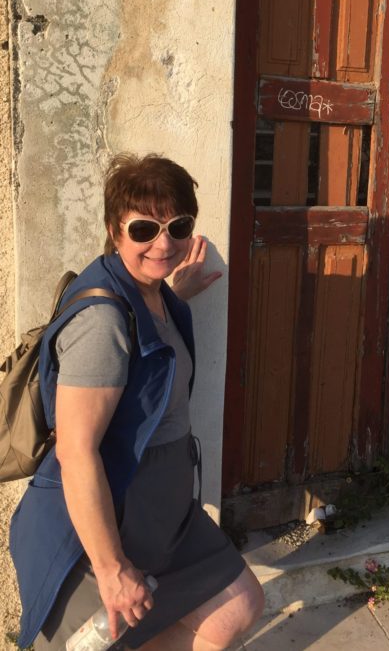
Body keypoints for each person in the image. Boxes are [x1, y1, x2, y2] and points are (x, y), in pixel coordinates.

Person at [9, 154, 264, 650]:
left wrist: (174, 297)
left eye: (178, 226)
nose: (164, 243)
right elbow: (77, 450)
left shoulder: (152, 296)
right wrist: (110, 569)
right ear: (114, 229)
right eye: (145, 228)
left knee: (236, 605)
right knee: (97, 643)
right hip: (98, 530)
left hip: (162, 515)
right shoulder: (102, 323)